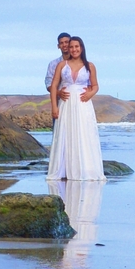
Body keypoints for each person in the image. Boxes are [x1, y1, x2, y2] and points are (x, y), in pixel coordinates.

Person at [48, 36, 106, 181]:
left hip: (83, 105)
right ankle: (64, 169)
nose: (74, 49)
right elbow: (54, 86)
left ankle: (84, 168)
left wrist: (90, 94)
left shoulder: (89, 66)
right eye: (71, 47)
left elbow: (95, 85)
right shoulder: (62, 65)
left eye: (76, 46)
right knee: (65, 134)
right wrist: (54, 107)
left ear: (81, 48)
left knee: (83, 133)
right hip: (66, 104)